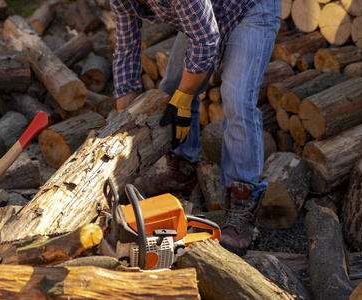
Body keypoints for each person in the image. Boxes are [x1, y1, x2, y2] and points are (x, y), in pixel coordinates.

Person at [110, 0, 281, 256]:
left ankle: (243, 197)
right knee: (171, 87)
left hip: (250, 8)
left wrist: (185, 97)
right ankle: (183, 169)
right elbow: (126, 49)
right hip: (207, 13)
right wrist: (124, 123)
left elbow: (206, 40)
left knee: (237, 99)